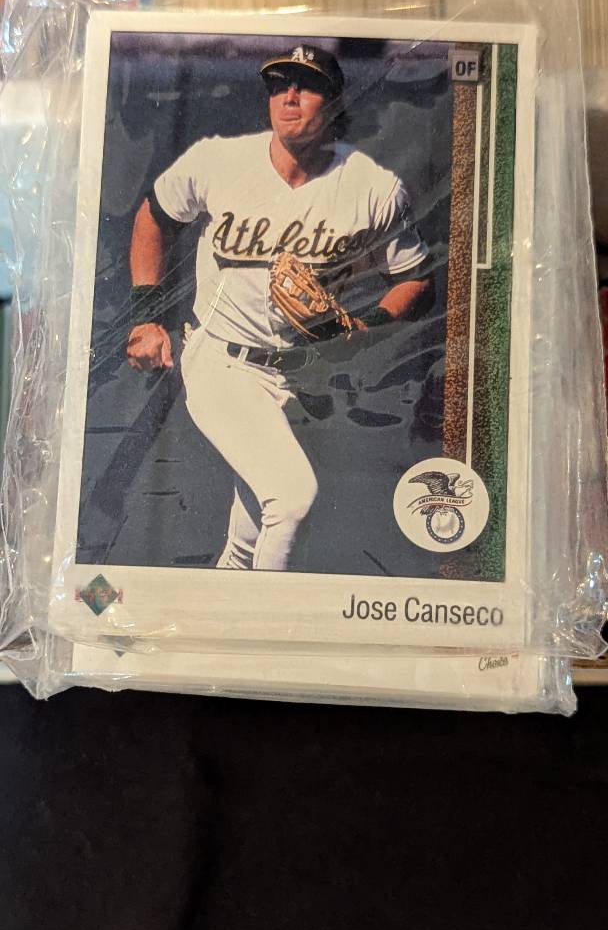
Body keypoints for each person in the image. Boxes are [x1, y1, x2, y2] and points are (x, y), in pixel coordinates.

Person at [126, 43, 433, 571]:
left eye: (306, 85)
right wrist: (146, 316)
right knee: (290, 500)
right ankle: (261, 620)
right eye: (278, 84)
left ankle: (221, 605)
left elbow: (415, 276)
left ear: (335, 102)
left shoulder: (373, 188)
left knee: (249, 539)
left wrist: (368, 324)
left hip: (303, 376)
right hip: (222, 361)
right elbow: (153, 216)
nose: (289, 96)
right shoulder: (218, 162)